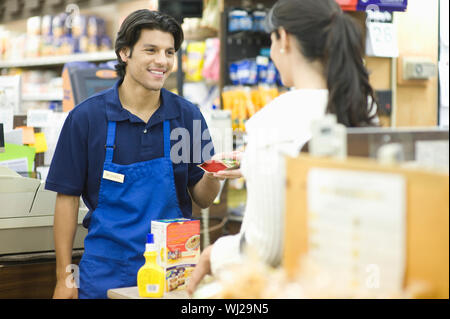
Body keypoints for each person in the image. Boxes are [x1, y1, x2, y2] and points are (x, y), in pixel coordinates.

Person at [187, 0, 378, 294]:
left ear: (284, 39)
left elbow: (264, 248)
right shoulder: (362, 107)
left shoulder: (277, 119)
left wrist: (216, 254)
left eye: (271, 41)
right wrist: (254, 161)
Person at [46, 9, 221, 299]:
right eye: (150, 50)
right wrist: (64, 276)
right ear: (124, 52)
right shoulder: (87, 118)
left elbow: (202, 197)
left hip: (173, 273)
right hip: (105, 272)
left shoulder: (186, 118)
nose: (162, 61)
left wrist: (216, 172)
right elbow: (66, 198)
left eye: (169, 52)